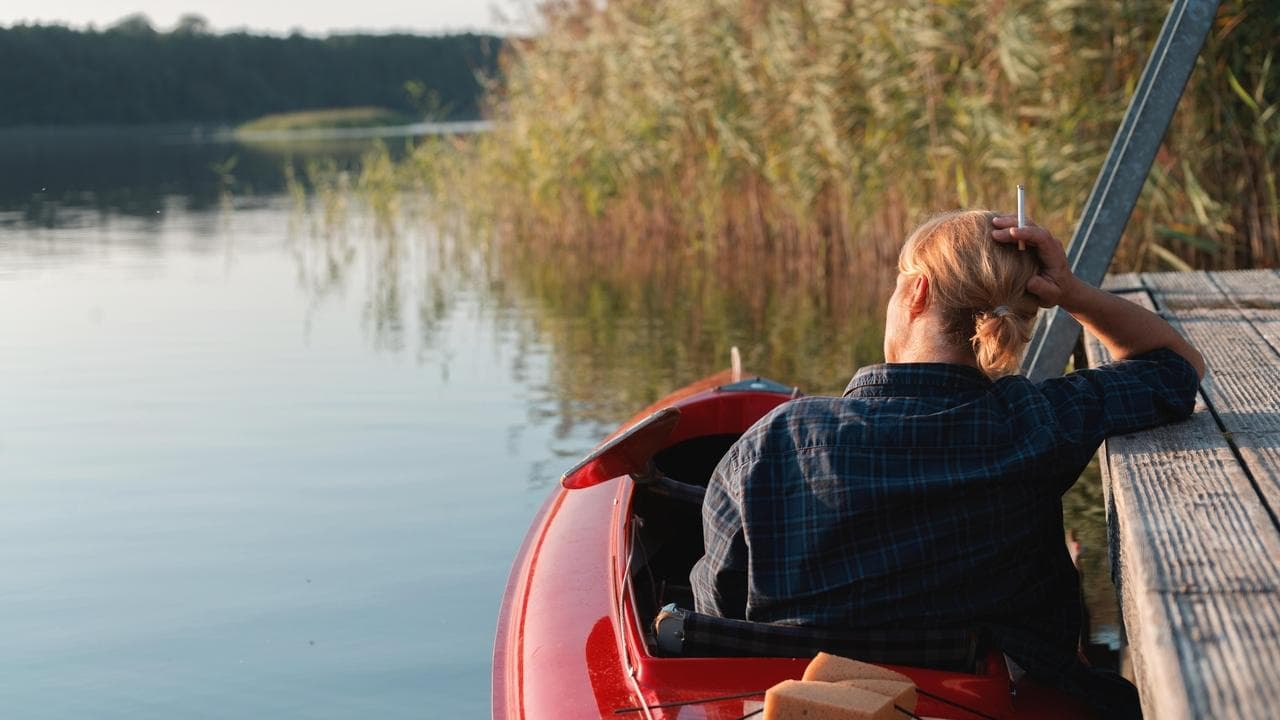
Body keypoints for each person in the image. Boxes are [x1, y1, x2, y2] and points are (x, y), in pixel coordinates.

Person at [689, 210, 1205, 718]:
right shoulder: (1038, 420)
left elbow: (721, 622)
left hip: (801, 702)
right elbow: (1175, 367)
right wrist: (1071, 292)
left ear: (917, 292)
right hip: (992, 698)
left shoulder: (774, 441)